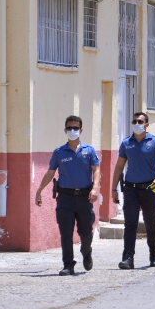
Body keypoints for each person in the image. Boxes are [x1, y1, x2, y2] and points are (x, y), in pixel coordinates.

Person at [35, 115, 101, 276]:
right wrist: (39, 190)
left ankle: (86, 252)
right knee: (66, 232)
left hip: (85, 197)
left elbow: (96, 170)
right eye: (70, 128)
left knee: (86, 232)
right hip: (65, 198)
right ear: (65, 130)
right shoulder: (59, 152)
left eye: (76, 128)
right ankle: (68, 265)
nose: (73, 130)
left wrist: (95, 188)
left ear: (81, 130)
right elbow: (50, 173)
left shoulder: (89, 150)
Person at [111, 112, 155, 270]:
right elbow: (119, 166)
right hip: (130, 188)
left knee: (151, 222)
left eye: (140, 121)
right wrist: (113, 188)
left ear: (146, 125)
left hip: (150, 189)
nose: (137, 124)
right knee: (130, 223)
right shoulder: (126, 143)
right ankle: (128, 257)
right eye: (134, 121)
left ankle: (154, 254)